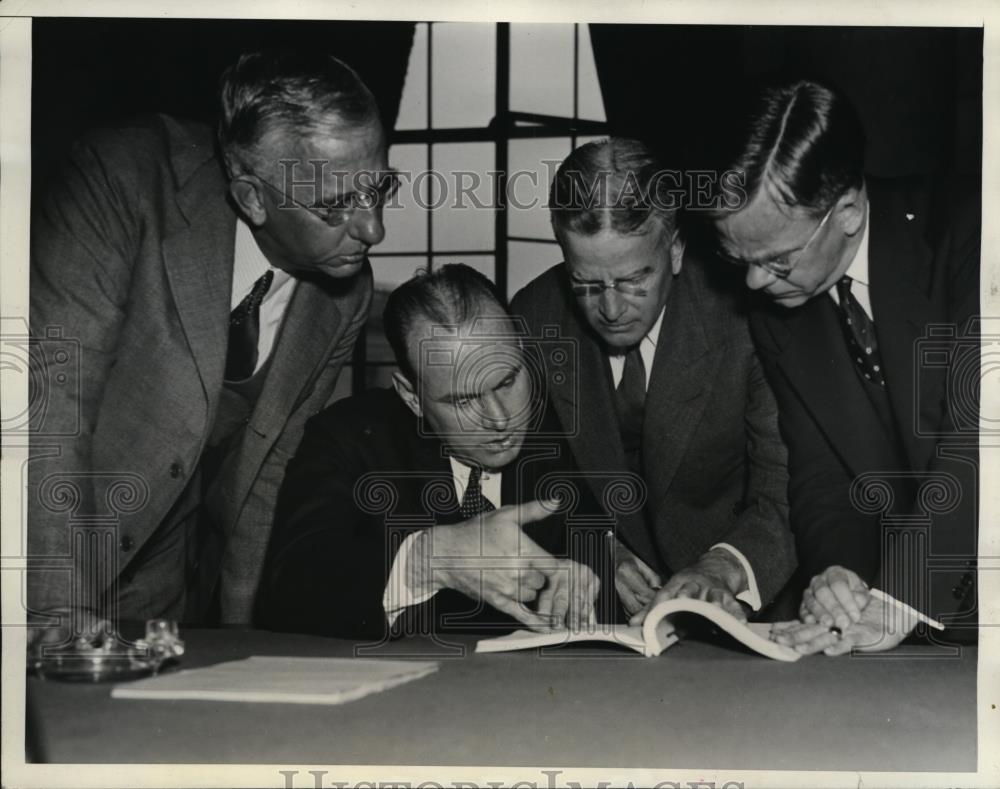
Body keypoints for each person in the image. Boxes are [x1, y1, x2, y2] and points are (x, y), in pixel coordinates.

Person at [27, 50, 392, 645]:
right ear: (251, 198)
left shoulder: (344, 293)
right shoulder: (123, 178)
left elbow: (265, 479)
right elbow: (46, 402)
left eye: (380, 189)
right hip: (40, 558)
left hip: (157, 589)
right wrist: (49, 609)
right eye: (335, 206)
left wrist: (245, 640)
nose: (374, 230)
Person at [707, 78, 979, 655]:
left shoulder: (974, 235)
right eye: (740, 259)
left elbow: (979, 438)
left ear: (849, 213)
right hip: (913, 622)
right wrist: (838, 579)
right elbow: (823, 473)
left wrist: (901, 596)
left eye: (777, 260)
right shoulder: (781, 306)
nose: (754, 282)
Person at [509, 138, 796, 627]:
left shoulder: (747, 318)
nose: (612, 310)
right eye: (587, 283)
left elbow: (785, 486)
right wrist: (596, 544)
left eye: (633, 279)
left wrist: (724, 565)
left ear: (677, 249)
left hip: (748, 603)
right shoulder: (534, 318)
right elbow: (529, 474)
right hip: (596, 612)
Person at [257, 264, 606, 640]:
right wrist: (429, 560)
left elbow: (605, 542)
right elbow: (289, 591)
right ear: (412, 397)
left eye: (507, 381)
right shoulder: (347, 439)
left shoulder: (569, 425)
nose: (501, 418)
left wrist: (600, 566)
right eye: (463, 400)